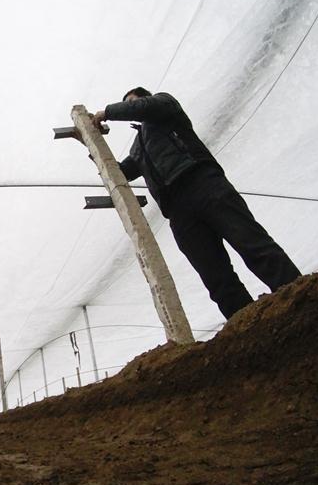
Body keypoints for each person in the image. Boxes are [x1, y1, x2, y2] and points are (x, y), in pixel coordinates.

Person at [94, 88, 300, 319]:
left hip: (202, 183)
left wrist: (107, 112)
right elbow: (118, 173)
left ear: (145, 98)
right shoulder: (138, 147)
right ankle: (247, 323)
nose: (131, 108)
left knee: (252, 243)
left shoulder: (165, 106)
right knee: (215, 275)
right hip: (177, 209)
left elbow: (144, 108)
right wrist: (91, 142)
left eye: (133, 102)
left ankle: (300, 296)